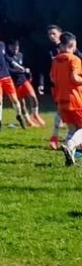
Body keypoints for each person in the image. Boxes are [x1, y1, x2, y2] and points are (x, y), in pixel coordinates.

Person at [50, 32, 82, 166]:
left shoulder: (56, 60)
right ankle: (70, 145)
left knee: (72, 129)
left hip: (61, 99)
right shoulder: (74, 59)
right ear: (72, 45)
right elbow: (74, 78)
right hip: (75, 99)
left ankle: (70, 158)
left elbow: (52, 78)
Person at [0, 28, 26, 131]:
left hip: (6, 76)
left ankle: (19, 116)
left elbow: (7, 58)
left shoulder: (1, 45)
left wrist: (16, 65)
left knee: (15, 99)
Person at [6, 41, 44, 127]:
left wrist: (27, 72)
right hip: (15, 83)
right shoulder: (7, 57)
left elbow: (23, 66)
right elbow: (8, 70)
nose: (15, 49)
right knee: (22, 103)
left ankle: (35, 114)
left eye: (17, 47)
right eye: (13, 47)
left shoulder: (20, 55)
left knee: (33, 97)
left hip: (24, 80)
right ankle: (27, 120)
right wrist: (19, 70)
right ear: (9, 47)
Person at [46, 25, 65, 149]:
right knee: (60, 109)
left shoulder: (68, 46)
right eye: (49, 34)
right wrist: (43, 83)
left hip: (72, 84)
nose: (51, 36)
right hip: (58, 85)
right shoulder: (50, 51)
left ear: (60, 33)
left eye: (54, 33)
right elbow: (47, 69)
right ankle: (54, 138)